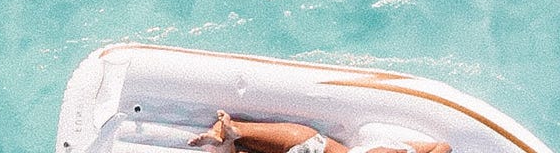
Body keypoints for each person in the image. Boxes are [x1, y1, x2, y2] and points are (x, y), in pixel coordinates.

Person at [188, 110, 452, 153]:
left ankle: (226, 137)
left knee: (236, 129)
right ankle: (225, 142)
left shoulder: (402, 150)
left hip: (313, 145)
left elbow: (442, 146)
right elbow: (443, 147)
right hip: (311, 147)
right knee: (234, 135)